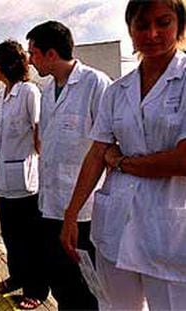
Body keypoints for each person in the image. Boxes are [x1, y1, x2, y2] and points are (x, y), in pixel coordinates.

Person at [61, 0, 186, 309]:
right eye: (142, 25)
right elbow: (96, 153)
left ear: (180, 27)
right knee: (116, 307)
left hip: (170, 232)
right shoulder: (118, 90)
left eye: (164, 22)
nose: (152, 33)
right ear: (130, 29)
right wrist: (71, 213)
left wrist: (120, 162)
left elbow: (182, 161)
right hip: (117, 224)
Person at [25, 21, 111, 310]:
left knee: (87, 284)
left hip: (84, 209)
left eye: (33, 53)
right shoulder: (48, 91)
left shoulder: (95, 83)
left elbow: (107, 147)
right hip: (51, 203)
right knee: (61, 278)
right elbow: (47, 144)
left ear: (50, 54)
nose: (30, 60)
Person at [0, 40, 41, 309]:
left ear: (5, 64)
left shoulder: (28, 92)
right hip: (3, 178)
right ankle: (17, 276)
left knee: (29, 239)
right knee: (10, 235)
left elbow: (39, 133)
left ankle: (35, 289)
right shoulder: (0, 95)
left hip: (24, 179)